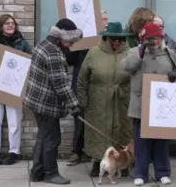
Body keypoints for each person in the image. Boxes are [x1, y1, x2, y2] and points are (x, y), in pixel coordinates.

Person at [24, 18, 83, 184]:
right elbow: (61, 85)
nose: (70, 45)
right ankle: (50, 173)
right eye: (69, 41)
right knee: (52, 139)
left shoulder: (43, 44)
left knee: (43, 137)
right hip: (46, 104)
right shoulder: (54, 54)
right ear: (61, 37)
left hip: (36, 101)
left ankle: (37, 173)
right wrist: (74, 105)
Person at [122, 23, 176, 186]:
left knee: (161, 140)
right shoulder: (135, 52)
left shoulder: (169, 53)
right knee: (141, 141)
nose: (154, 42)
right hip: (141, 105)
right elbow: (127, 67)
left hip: (162, 106)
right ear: (143, 39)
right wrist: (141, 51)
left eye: (157, 38)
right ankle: (140, 173)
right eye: (150, 39)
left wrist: (173, 76)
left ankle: (162, 172)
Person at [77, 22, 133, 177]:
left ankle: (122, 163)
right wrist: (82, 100)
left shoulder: (131, 53)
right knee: (100, 130)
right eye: (113, 39)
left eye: (120, 39)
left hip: (123, 99)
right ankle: (97, 162)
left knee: (123, 130)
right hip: (98, 99)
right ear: (106, 38)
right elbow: (82, 78)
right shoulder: (94, 52)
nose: (116, 42)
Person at [66, 10, 109, 166]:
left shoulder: (109, 39)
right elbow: (69, 60)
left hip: (100, 84)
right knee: (80, 118)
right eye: (102, 19)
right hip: (82, 83)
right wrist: (76, 43)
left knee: (99, 118)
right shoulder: (82, 39)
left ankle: (95, 152)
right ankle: (77, 152)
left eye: (106, 19)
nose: (105, 21)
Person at [0, 14, 32, 165]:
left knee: (14, 121)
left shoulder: (22, 42)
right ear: (1, 26)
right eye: (7, 23)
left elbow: (30, 60)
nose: (10, 25)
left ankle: (14, 152)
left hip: (15, 86)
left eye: (12, 23)